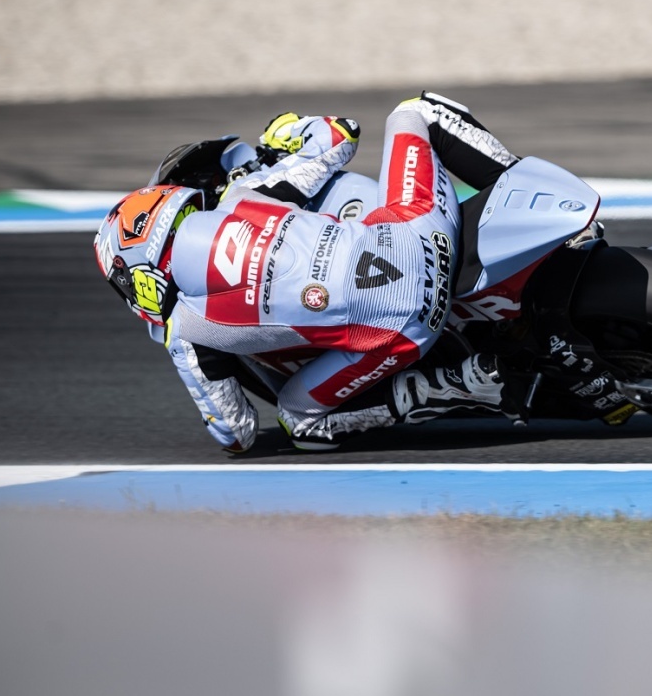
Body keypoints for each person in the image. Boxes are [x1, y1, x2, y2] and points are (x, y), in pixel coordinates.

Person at [94, 92, 519, 452]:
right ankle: (519, 184)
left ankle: (457, 385)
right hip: (425, 236)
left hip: (407, 329)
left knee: (299, 422)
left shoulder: (185, 330)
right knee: (415, 112)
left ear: (145, 272)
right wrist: (285, 132)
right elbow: (341, 134)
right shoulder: (245, 194)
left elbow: (237, 434)